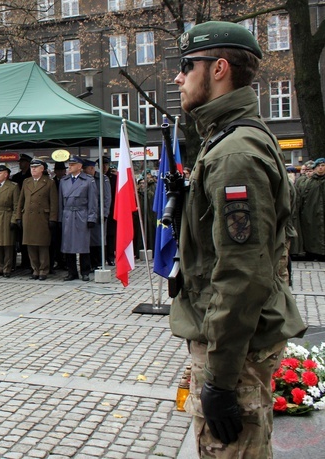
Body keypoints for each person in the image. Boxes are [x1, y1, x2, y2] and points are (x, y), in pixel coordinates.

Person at [171, 21, 306, 457]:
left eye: (187, 65)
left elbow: (241, 273)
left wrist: (221, 379)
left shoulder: (234, 154)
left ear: (219, 68)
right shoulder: (229, 138)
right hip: (232, 343)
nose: (178, 77)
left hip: (236, 352)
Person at [16, 158, 58, 281]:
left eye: (36, 167)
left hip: (42, 218)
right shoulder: (26, 182)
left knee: (42, 245)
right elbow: (21, 201)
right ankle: (35, 269)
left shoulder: (49, 182)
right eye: (32, 167)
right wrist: (18, 216)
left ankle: (43, 270)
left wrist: (53, 218)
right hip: (28, 217)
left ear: (42, 169)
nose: (33, 169)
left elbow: (53, 203)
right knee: (30, 245)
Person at [59, 156, 96, 281]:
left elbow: (92, 201)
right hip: (68, 215)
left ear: (79, 166)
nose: (70, 167)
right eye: (69, 164)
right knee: (68, 245)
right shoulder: (64, 181)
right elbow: (60, 202)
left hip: (82, 214)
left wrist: (91, 217)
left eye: (73, 164)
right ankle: (72, 272)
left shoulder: (88, 180)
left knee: (83, 245)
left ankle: (85, 271)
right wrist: (60, 218)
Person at [84, 159, 111, 270]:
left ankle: (99, 263)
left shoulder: (102, 179)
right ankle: (90, 263)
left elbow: (107, 198)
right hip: (87, 213)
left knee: (98, 239)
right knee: (88, 240)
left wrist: (104, 213)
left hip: (99, 213)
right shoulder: (85, 179)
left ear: (91, 168)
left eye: (85, 169)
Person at [299, 157, 325, 260]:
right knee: (313, 235)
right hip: (312, 214)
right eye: (318, 166)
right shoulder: (308, 182)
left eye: (323, 166)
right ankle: (314, 253)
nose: (320, 168)